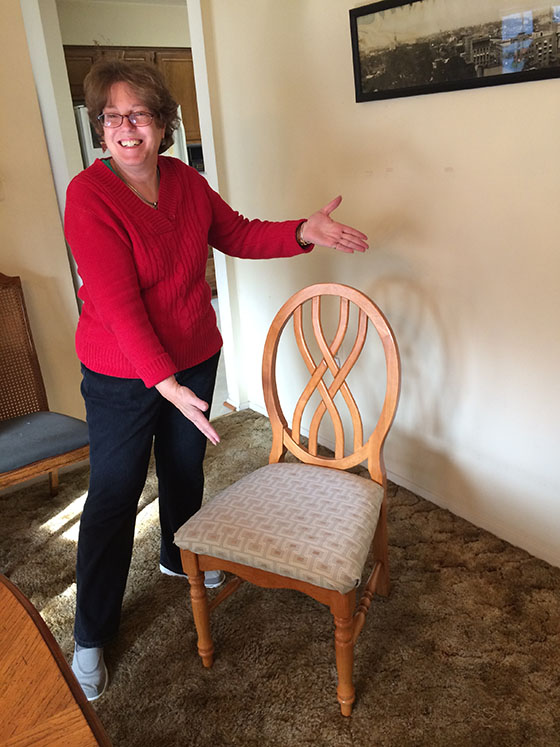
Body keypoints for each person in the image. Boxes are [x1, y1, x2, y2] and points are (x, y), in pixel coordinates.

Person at [64, 60, 368, 702]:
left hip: (194, 355)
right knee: (115, 493)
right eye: (112, 116)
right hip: (121, 373)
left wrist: (301, 231)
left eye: (138, 115)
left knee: (183, 467)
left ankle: (179, 557)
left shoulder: (186, 181)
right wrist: (164, 383)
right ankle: (91, 631)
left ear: (161, 124)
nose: (126, 128)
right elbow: (117, 305)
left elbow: (235, 233)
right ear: (100, 126)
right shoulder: (89, 196)